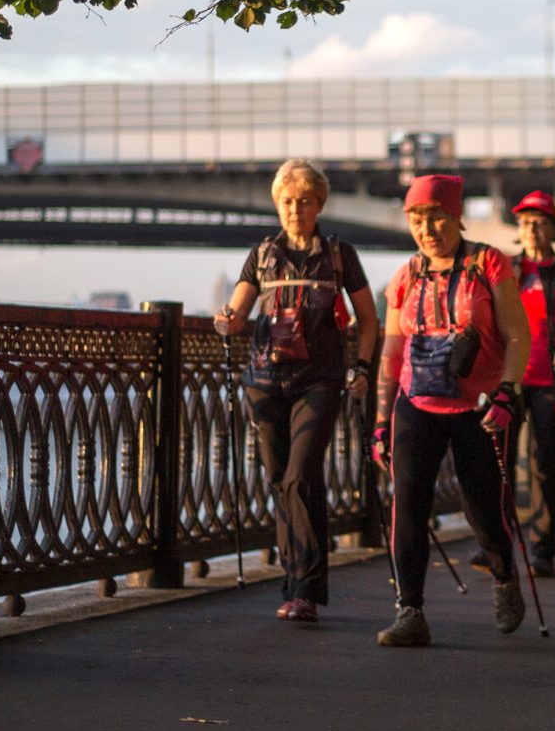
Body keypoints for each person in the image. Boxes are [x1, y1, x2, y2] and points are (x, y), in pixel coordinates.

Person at [372, 174, 532, 647]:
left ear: (457, 216)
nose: (428, 229)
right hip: (416, 404)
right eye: (418, 220)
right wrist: (382, 421)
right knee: (408, 507)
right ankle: (410, 611)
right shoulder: (405, 277)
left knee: (482, 508)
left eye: (437, 217)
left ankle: (504, 577)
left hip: (477, 408)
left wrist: (507, 392)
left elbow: (517, 335)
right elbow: (390, 355)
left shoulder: (488, 263)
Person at [216, 159, 378, 622]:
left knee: (300, 475)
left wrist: (362, 366)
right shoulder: (262, 255)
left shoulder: (339, 254)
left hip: (319, 380)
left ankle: (305, 590)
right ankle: (294, 583)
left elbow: (368, 319)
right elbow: (237, 314)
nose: (294, 209)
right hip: (265, 381)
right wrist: (225, 321)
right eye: (287, 201)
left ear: (319, 204)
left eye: (304, 201)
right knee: (279, 479)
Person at [503, 190, 555, 577]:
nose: (531, 229)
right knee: (498, 463)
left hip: (549, 381)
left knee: (544, 467)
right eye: (524, 222)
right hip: (510, 379)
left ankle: (542, 550)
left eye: (539, 222)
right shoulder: (507, 270)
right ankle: (499, 544)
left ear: (554, 229)